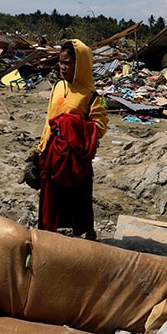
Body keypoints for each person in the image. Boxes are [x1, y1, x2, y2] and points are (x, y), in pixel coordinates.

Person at [36, 40, 108, 239]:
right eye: (60, 62)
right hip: (53, 154)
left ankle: (86, 235)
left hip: (75, 158)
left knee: (80, 199)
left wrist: (70, 125)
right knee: (51, 200)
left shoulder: (91, 96)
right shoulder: (58, 86)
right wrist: (41, 147)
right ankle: (49, 237)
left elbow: (100, 127)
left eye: (67, 63)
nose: (62, 67)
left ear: (80, 65)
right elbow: (49, 120)